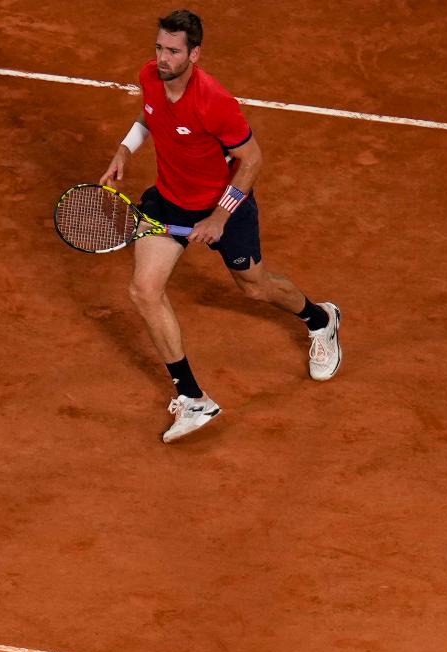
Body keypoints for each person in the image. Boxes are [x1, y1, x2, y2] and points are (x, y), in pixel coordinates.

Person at [99, 9, 343, 443]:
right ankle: (193, 399)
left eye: (173, 51)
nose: (162, 58)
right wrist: (124, 150)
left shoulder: (214, 101)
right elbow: (148, 115)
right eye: (159, 48)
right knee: (144, 290)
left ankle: (320, 318)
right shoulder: (150, 76)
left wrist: (219, 216)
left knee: (254, 286)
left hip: (224, 207)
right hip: (169, 203)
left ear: (195, 54)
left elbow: (252, 159)